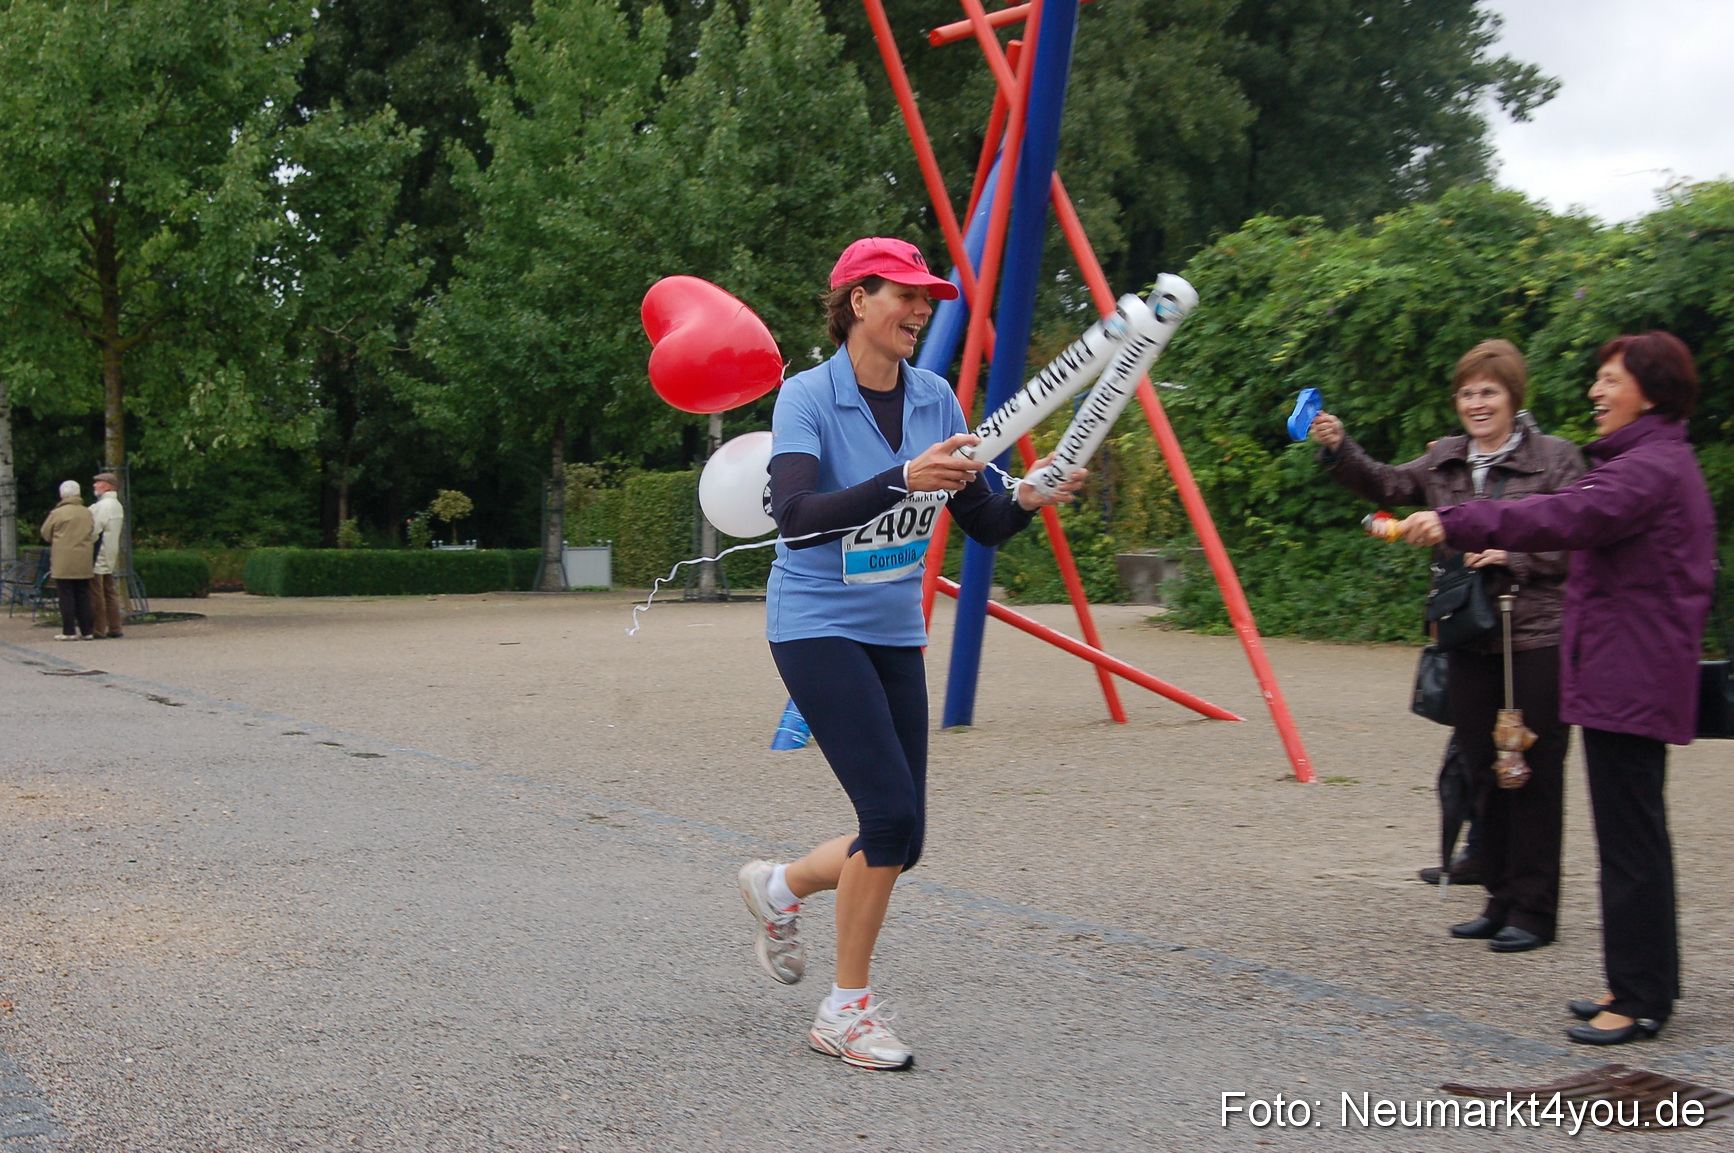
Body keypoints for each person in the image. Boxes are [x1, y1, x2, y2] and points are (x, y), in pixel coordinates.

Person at [738, 237, 1085, 1070]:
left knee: (903, 834)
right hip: (814, 620)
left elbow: (985, 522)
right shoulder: (806, 397)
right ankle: (844, 1009)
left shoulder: (935, 400)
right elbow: (795, 513)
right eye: (907, 294)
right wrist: (902, 479)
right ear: (859, 300)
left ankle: (778, 886)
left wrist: (1027, 497)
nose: (924, 309)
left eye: (929, 296)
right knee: (890, 818)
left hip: (894, 626)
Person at [1403, 331, 1715, 1045]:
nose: (1595, 393)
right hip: (1625, 676)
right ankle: (1637, 980)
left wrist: (1457, 517)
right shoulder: (1649, 461)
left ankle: (1638, 999)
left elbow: (1559, 515)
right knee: (1632, 839)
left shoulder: (1648, 469)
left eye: (1610, 380)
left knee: (1631, 844)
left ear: (1652, 391)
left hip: (1629, 679)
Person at [1311, 339, 1584, 952]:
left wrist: (1511, 551)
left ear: (1514, 396)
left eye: (1489, 391)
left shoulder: (1558, 459)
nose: (1477, 403)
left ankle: (1535, 911)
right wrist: (1338, 447)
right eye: (1467, 393)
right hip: (1465, 630)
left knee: (1532, 771)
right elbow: (1385, 484)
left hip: (1535, 634)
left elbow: (1577, 539)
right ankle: (1498, 897)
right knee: (1481, 768)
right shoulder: (1445, 461)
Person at [40, 480, 97, 641]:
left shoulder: (57, 513)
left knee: (66, 595)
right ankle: (87, 631)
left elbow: (45, 533)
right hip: (84, 559)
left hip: (63, 559)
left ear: (61, 495)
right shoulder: (87, 512)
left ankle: (69, 631)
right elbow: (93, 533)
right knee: (83, 595)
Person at [89, 471, 126, 639]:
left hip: (99, 553)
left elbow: (94, 530)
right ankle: (115, 627)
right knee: (109, 592)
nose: (95, 485)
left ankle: (98, 629)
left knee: (97, 592)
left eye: (99, 482)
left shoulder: (104, 506)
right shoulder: (116, 504)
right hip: (109, 553)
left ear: (108, 486)